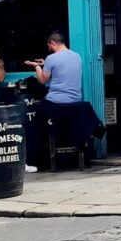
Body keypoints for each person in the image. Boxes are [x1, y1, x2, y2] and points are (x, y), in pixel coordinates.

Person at [23, 31, 84, 173]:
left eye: (49, 45)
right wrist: (46, 65)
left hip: (55, 102)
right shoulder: (77, 57)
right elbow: (63, 71)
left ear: (52, 43)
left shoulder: (51, 58)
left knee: (32, 126)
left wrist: (37, 67)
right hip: (75, 102)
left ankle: (31, 163)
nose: (48, 48)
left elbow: (43, 80)